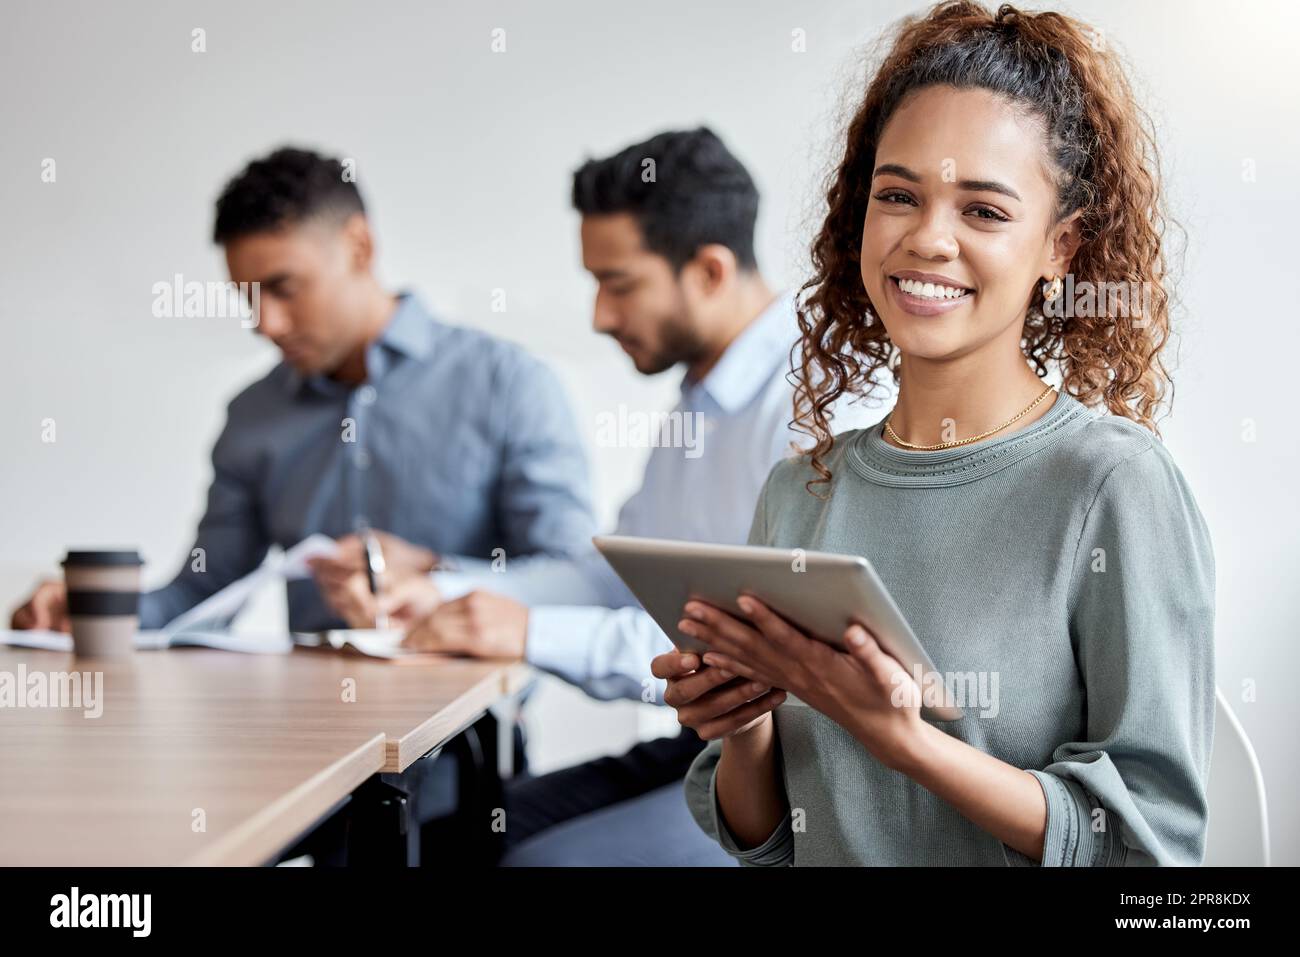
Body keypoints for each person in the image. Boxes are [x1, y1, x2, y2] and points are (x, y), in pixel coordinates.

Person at [658, 0, 1215, 866]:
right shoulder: (801, 491)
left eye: (984, 212)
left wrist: (905, 738)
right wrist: (747, 722)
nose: (927, 239)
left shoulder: (1111, 487)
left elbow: (1150, 850)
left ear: (1060, 247)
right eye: (898, 196)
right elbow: (769, 848)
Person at [312, 127, 883, 865]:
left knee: (525, 861)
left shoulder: (820, 401)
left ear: (709, 270)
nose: (600, 317)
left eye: (619, 284)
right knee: (451, 839)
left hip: (790, 774)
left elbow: (761, 653)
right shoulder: (704, 397)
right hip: (696, 746)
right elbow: (615, 579)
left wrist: (528, 632)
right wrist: (441, 589)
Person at [10, 146, 596, 637]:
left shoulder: (507, 384)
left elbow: (573, 578)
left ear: (359, 248)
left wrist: (437, 577)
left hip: (463, 737)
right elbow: (206, 592)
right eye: (247, 297)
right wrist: (95, 613)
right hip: (312, 736)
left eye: (283, 287)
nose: (266, 323)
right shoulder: (253, 414)